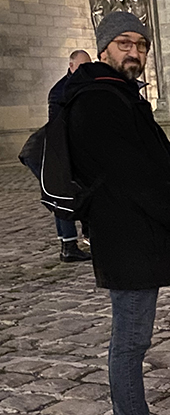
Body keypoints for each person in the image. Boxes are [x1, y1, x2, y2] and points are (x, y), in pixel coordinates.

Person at [65, 11, 170, 415]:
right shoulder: (97, 99)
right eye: (125, 43)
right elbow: (131, 175)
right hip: (126, 236)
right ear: (104, 47)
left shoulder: (121, 95)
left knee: (132, 338)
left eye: (142, 45)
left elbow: (160, 163)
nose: (135, 52)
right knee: (130, 341)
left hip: (138, 233)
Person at [48, 50, 93, 263]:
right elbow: (59, 126)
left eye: (88, 65)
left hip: (82, 149)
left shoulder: (86, 85)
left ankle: (85, 238)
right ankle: (69, 244)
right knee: (63, 197)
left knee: (82, 193)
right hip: (64, 151)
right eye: (81, 65)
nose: (85, 69)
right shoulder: (60, 91)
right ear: (71, 65)